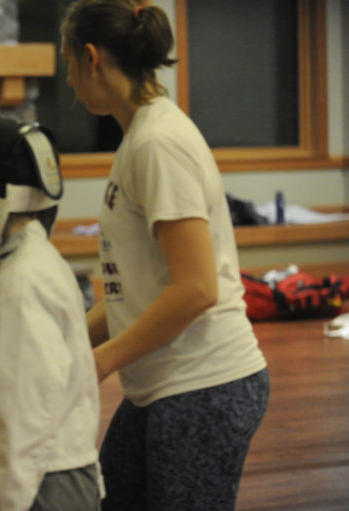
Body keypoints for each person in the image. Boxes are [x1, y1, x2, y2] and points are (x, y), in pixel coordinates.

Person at [59, 1, 270, 509]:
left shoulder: (158, 143)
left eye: (66, 63)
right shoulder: (139, 138)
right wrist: (59, 347)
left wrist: (101, 362)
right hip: (165, 388)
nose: (66, 81)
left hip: (207, 386)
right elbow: (137, 292)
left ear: (91, 57)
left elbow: (197, 289)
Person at [0, 113, 104, 510]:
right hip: (61, 476)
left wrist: (2, 503)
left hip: (44, 486)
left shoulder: (18, 283)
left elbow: (29, 420)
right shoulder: (38, 259)